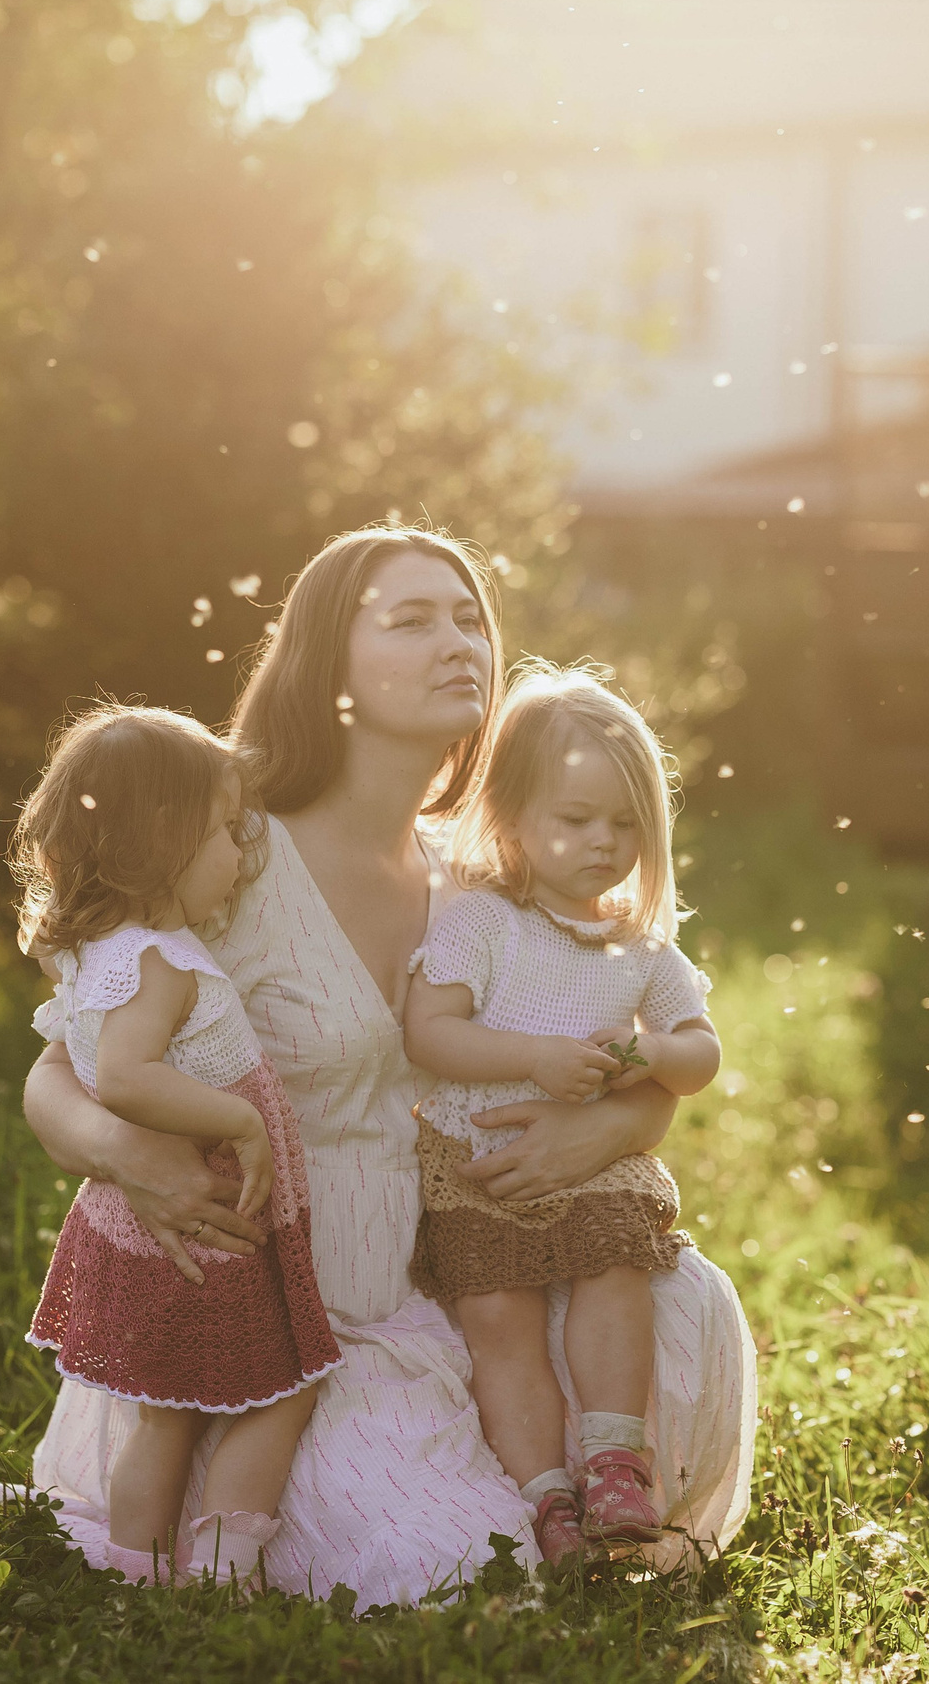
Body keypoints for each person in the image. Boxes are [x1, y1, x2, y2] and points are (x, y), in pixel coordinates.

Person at [8, 526, 754, 1607]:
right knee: (455, 1572)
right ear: (328, 664)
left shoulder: (483, 871)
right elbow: (57, 1068)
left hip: (466, 1269)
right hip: (287, 1314)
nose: (459, 642)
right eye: (412, 620)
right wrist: (131, 1156)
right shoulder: (230, 845)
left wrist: (611, 1130)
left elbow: (622, 1063)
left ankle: (561, 1494)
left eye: (469, 620)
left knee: (675, 1309)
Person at [9, 705, 338, 1587]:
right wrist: (238, 1120)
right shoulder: (153, 958)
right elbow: (119, 1074)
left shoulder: (100, 951)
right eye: (226, 832)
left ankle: (139, 1568)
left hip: (160, 1223)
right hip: (201, 1226)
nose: (242, 853)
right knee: (281, 1382)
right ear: (164, 837)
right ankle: (216, 1564)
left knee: (169, 1415)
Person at [400, 661, 720, 1568]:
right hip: (477, 1156)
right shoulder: (481, 922)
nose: (603, 842)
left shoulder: (639, 945)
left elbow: (702, 1051)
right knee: (497, 1314)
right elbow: (431, 1032)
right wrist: (534, 1056)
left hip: (600, 1164)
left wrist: (653, 1054)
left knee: (614, 1271)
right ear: (511, 817)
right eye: (576, 820)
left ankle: (618, 1458)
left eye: (624, 824)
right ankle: (545, 1492)